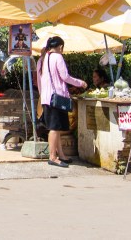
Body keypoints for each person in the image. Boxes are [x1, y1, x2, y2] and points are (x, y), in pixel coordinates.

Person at [36, 36, 86, 167]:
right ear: (60, 47)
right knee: (54, 128)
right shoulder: (58, 57)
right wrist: (80, 83)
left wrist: (42, 96)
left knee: (56, 128)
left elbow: (40, 80)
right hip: (56, 98)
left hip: (47, 98)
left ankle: (61, 155)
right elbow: (65, 76)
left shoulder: (43, 59)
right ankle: (52, 157)